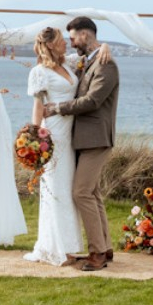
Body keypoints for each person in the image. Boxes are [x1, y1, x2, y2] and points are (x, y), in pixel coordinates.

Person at [44, 16, 119, 272]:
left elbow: (92, 101)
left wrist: (57, 108)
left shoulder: (107, 65)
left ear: (85, 35)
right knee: (93, 193)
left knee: (81, 192)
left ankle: (96, 253)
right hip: (84, 138)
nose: (72, 42)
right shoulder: (89, 61)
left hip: (97, 139)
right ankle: (105, 247)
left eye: (74, 37)